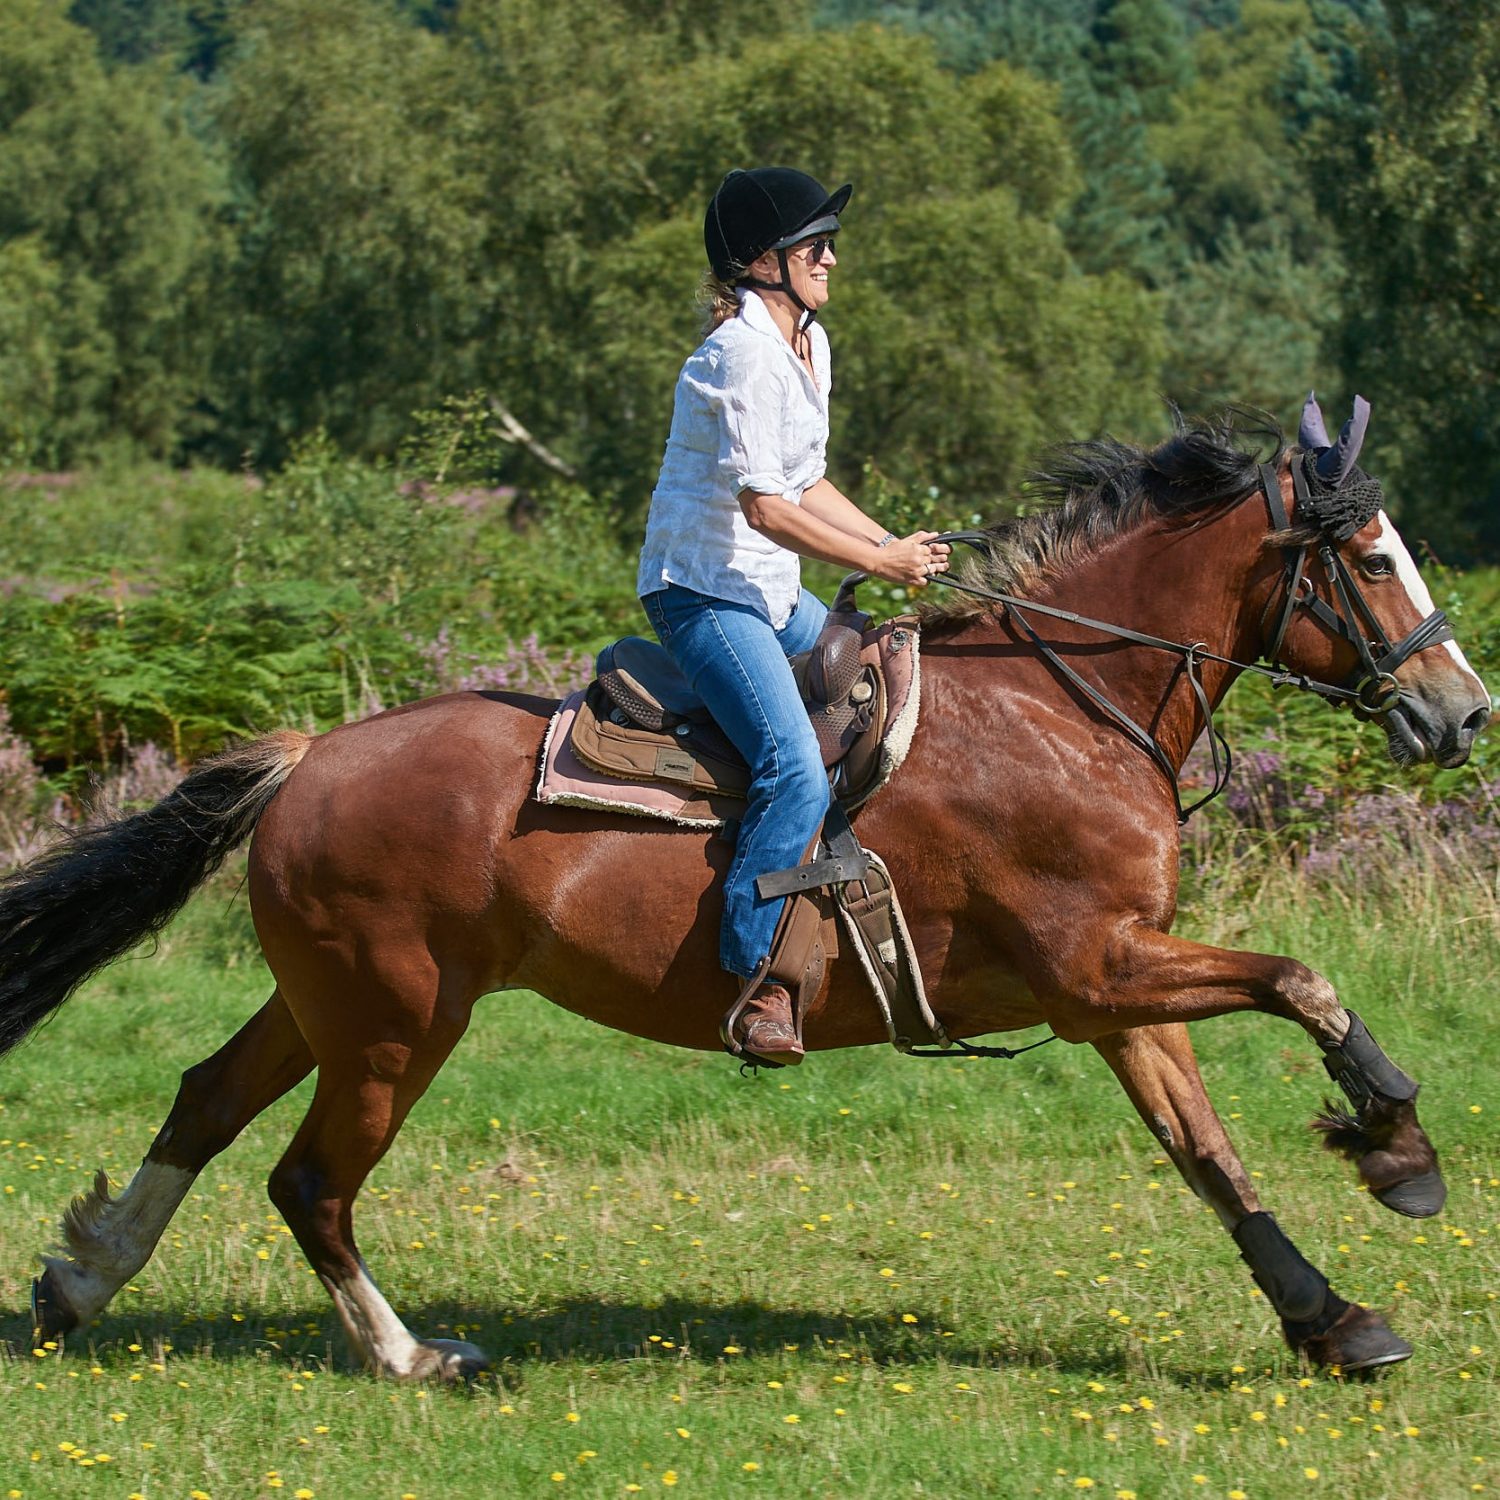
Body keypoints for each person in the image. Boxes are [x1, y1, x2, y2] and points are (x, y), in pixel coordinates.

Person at [636, 167, 950, 1067]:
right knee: (794, 770)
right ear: (759, 263)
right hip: (703, 592)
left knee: (890, 676)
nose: (831, 258)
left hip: (770, 591)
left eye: (828, 243)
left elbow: (809, 482)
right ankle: (755, 976)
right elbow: (766, 508)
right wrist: (872, 561)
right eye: (814, 245)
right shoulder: (739, 351)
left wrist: (896, 545)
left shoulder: (810, 343)